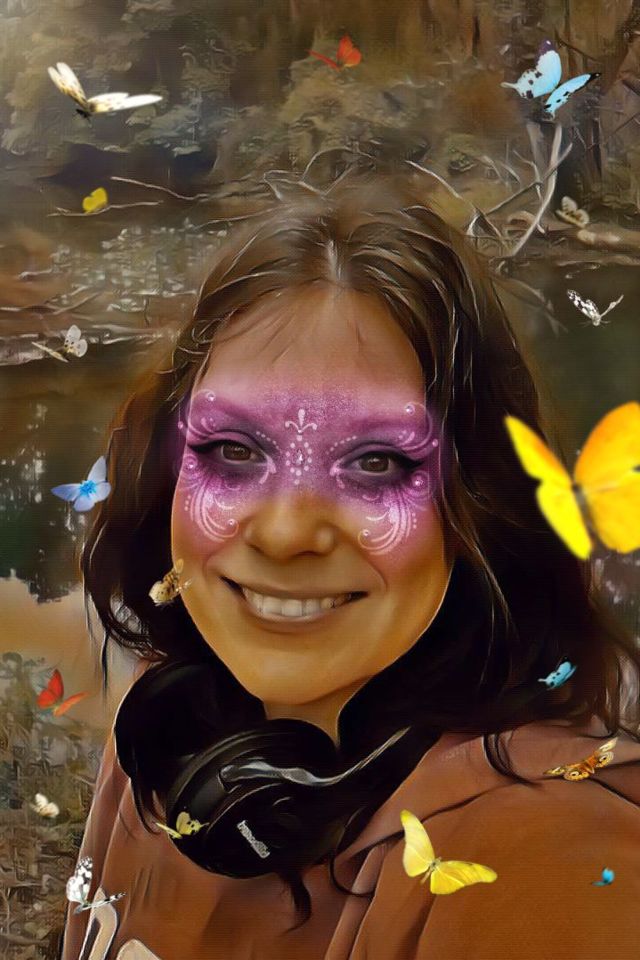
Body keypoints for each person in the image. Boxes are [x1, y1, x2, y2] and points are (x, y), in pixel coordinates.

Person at [61, 165, 640, 960]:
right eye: (233, 450)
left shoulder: (545, 861)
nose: (286, 532)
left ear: (477, 504)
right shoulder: (165, 734)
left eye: (376, 463)